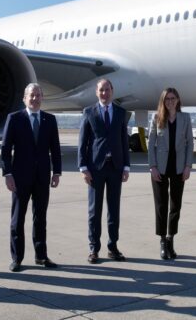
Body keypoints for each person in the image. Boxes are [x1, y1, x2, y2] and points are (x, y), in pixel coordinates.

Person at [1, 83, 62, 272]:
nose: (35, 99)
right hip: (20, 177)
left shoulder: (49, 120)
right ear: (24, 98)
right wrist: (7, 173)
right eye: (31, 95)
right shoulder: (14, 118)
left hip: (42, 176)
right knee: (17, 219)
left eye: (38, 95)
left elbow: (55, 149)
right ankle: (17, 258)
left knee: (40, 217)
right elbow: (5, 149)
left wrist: (57, 172)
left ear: (42, 98)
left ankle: (41, 256)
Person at [78, 78, 131, 263]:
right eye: (101, 90)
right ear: (96, 92)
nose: (104, 93)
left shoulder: (120, 113)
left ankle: (113, 246)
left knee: (113, 210)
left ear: (112, 91)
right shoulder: (89, 112)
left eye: (107, 90)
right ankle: (94, 248)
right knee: (94, 211)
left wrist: (126, 166)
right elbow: (83, 142)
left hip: (115, 168)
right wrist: (83, 168)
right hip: (95, 168)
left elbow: (124, 141)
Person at [147, 88, 194, 260]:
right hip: (160, 168)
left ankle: (170, 239)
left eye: (173, 98)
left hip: (179, 168)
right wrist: (152, 166)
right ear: (163, 101)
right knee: (161, 206)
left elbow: (190, 143)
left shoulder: (185, 118)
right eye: (167, 99)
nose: (170, 101)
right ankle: (161, 241)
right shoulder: (156, 118)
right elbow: (151, 144)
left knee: (175, 206)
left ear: (178, 100)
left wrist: (188, 166)